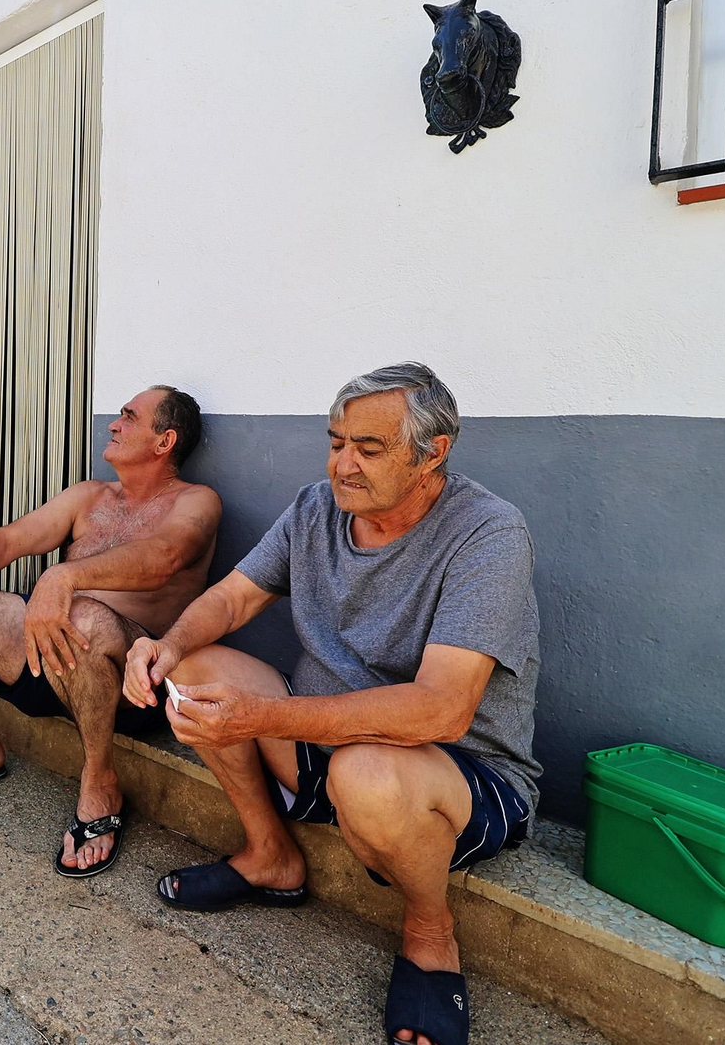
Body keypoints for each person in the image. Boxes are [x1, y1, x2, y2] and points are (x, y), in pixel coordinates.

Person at [124, 363, 539, 1045]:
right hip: (326, 746)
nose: (343, 464)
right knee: (198, 671)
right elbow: (232, 598)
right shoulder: (316, 507)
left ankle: (430, 934)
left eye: (368, 448)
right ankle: (269, 854)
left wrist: (261, 717)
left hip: (454, 774)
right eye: (336, 440)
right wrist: (163, 648)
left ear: (432, 453)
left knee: (367, 773)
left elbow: (442, 710)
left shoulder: (487, 532)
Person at [0, 385, 221, 877]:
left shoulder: (196, 503)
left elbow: (165, 556)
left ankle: (100, 780)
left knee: (84, 615)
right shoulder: (89, 496)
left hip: (125, 685)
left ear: (164, 441)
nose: (113, 424)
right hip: (42, 660)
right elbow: (8, 541)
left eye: (129, 418)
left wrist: (65, 575)